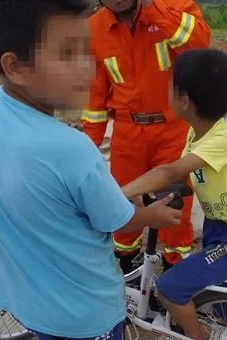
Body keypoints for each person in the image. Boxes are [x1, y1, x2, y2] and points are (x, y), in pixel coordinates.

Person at [0, 1, 181, 340]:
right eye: (68, 53)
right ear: (16, 66)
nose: (87, 64)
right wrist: (153, 213)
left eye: (87, 48)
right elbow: (118, 220)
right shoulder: (70, 148)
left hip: (27, 303)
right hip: (88, 314)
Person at [122, 49, 227, 340]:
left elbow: (170, 171)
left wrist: (120, 193)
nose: (168, 93)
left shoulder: (219, 140)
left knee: (169, 288)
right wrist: (150, 194)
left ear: (185, 100)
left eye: (172, 88)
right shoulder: (201, 132)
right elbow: (182, 177)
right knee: (217, 294)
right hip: (220, 230)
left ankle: (196, 339)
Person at [83, 0, 211, 274]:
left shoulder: (175, 6)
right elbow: (94, 95)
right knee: (122, 202)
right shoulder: (94, 29)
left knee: (175, 207)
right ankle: (126, 269)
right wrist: (87, 146)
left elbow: (200, 45)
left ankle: (174, 276)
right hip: (127, 134)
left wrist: (155, 11)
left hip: (174, 130)